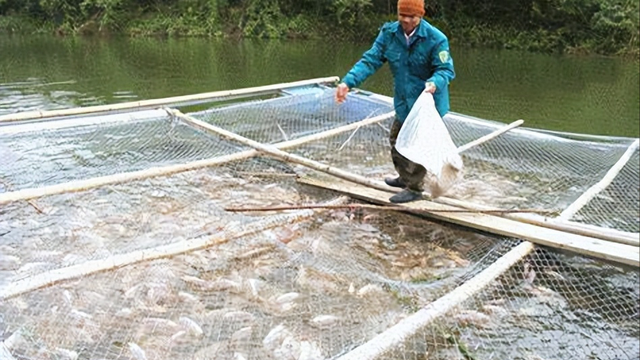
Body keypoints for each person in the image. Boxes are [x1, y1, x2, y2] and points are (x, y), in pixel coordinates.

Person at [335, 0, 455, 203]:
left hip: (427, 106)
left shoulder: (436, 39)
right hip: (403, 102)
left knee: (417, 147)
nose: (406, 21)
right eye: (403, 15)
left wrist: (434, 82)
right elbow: (370, 60)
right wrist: (348, 82)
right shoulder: (389, 34)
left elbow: (446, 70)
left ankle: (415, 189)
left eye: (412, 16)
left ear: (421, 15)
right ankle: (404, 177)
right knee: (397, 141)